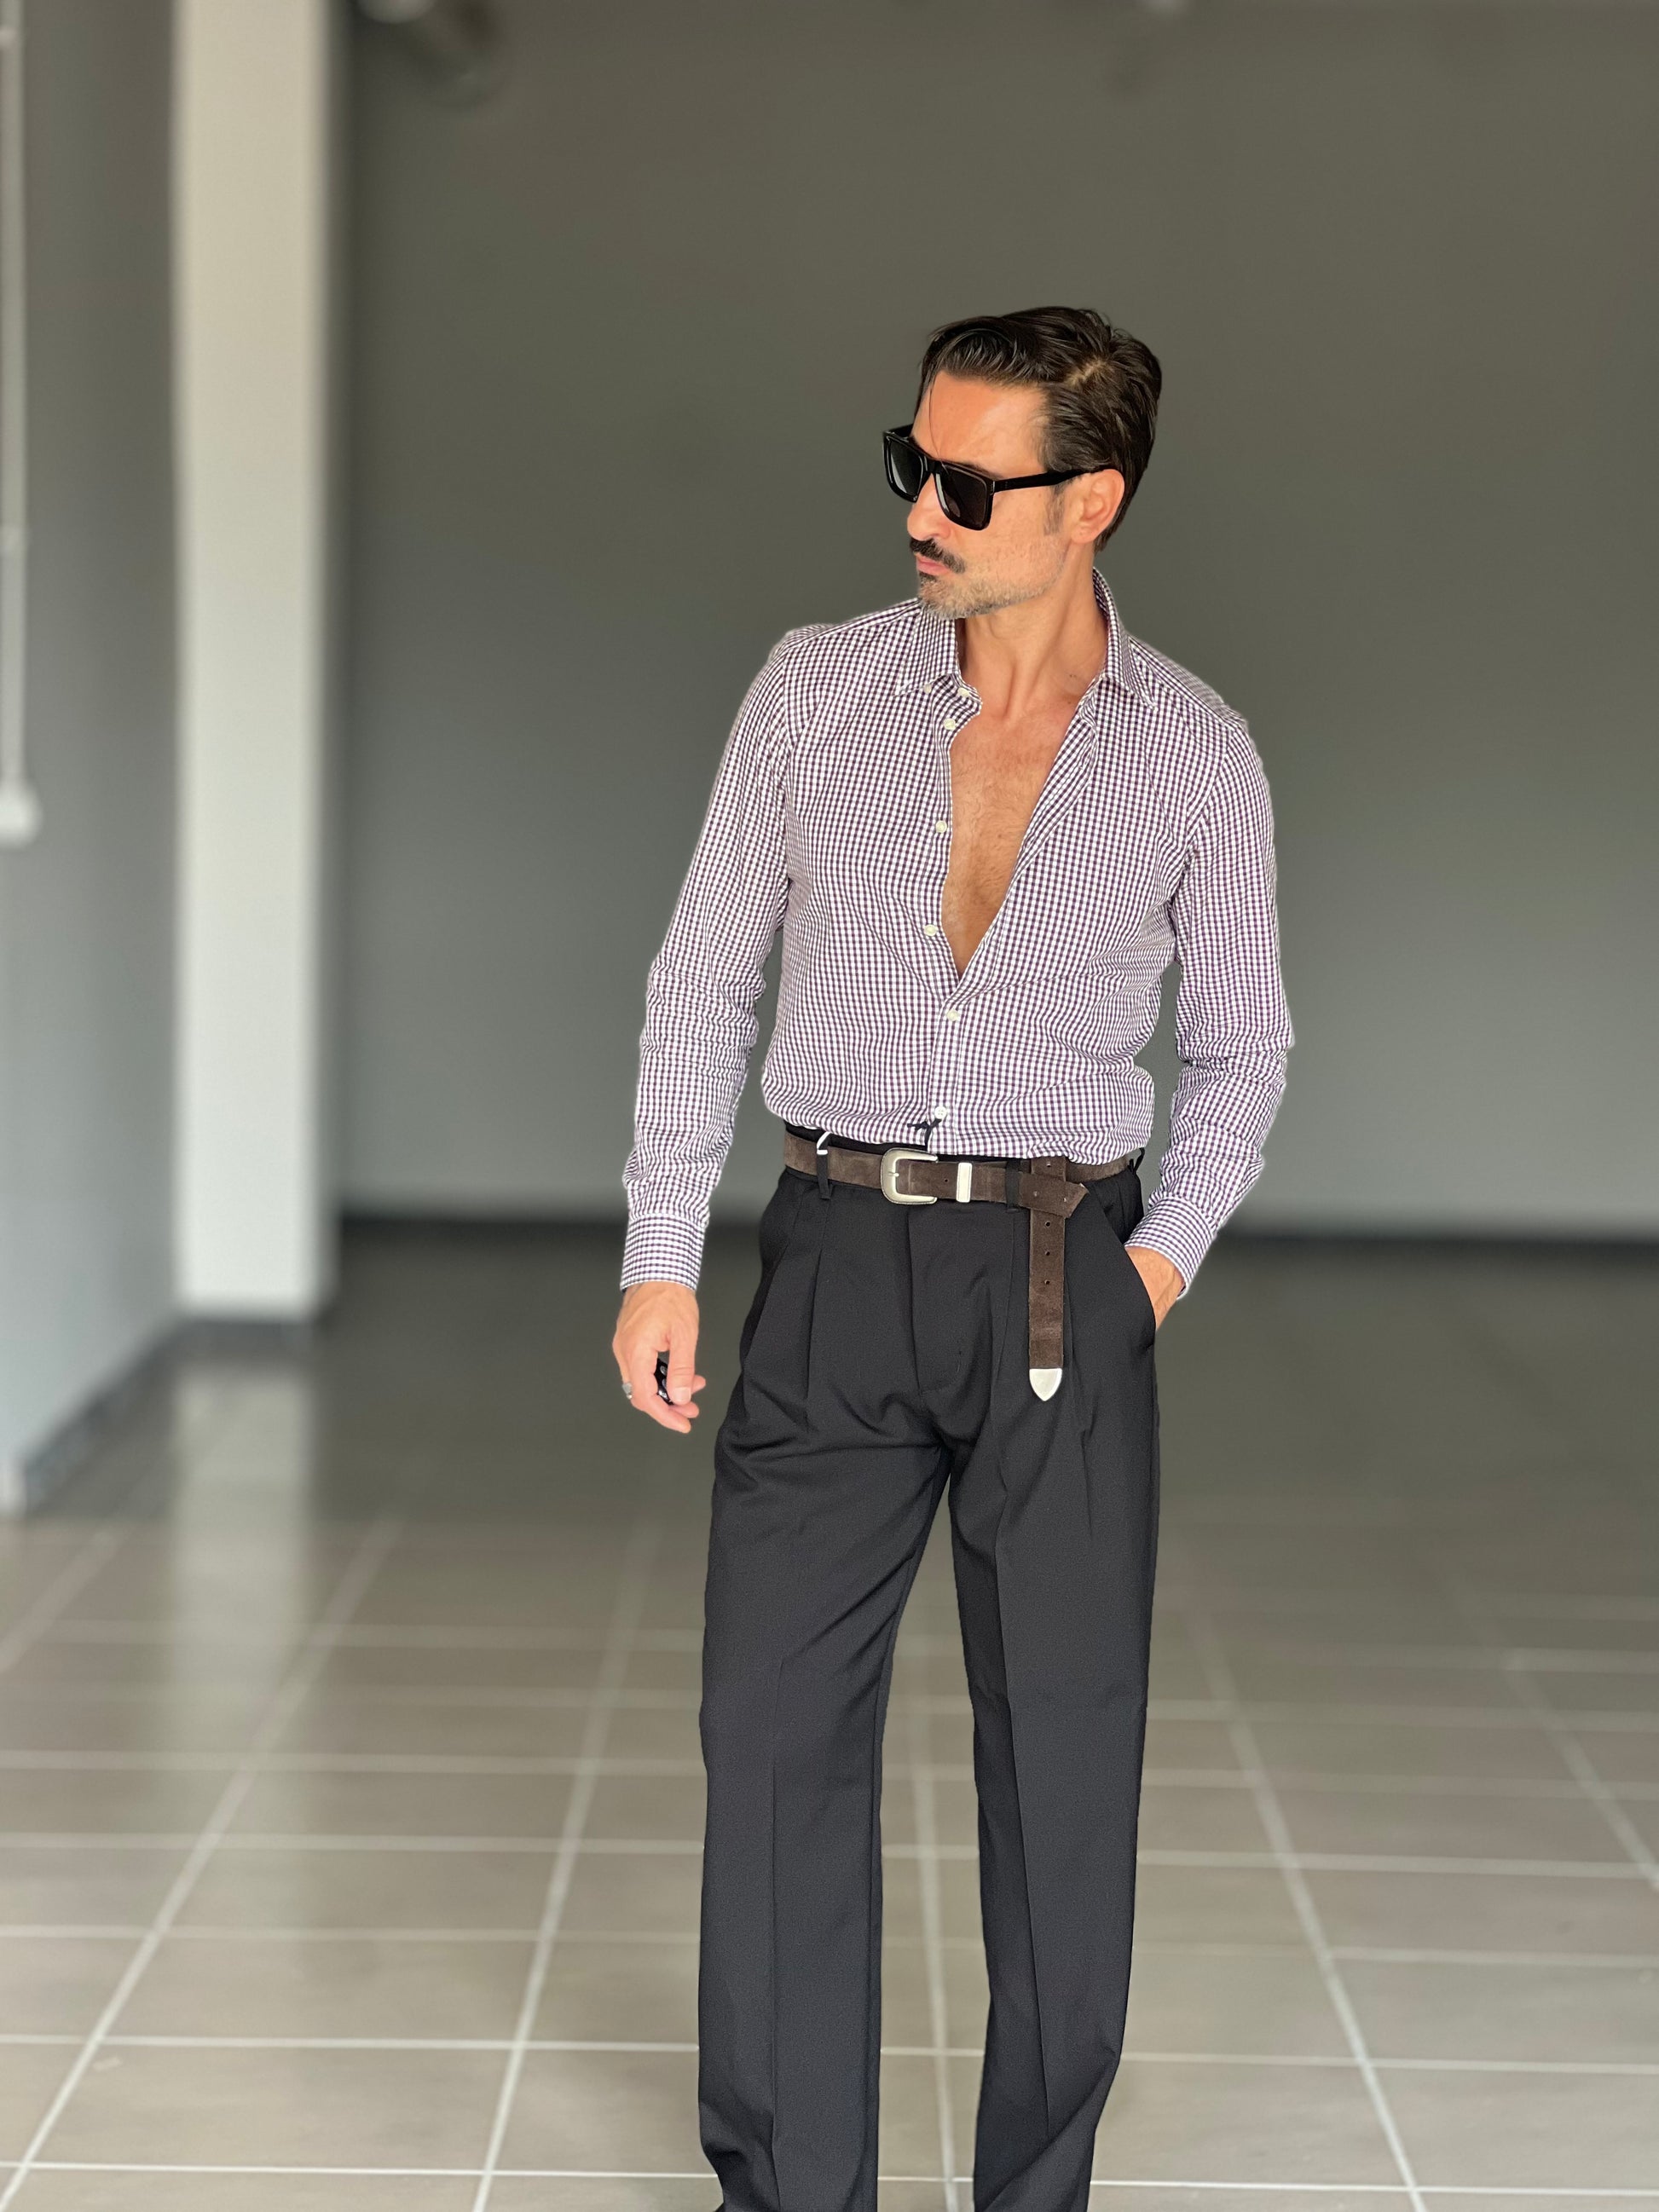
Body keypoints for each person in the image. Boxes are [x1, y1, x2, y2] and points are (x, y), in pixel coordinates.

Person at [612, 305, 1292, 2212]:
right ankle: (786, 2194)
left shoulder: (1197, 757)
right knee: (769, 1737)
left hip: (1068, 1279)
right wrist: (660, 1251)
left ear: (1091, 501)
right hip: (832, 1254)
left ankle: (1033, 2194)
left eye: (969, 484)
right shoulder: (812, 690)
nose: (921, 508)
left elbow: (1244, 1050)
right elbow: (700, 977)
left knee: (1062, 1763)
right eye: (907, 463)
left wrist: (1158, 1272)